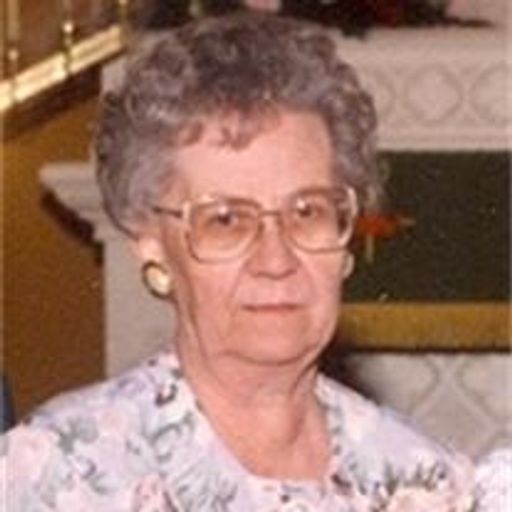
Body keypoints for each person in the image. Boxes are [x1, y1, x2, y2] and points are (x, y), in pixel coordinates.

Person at [2, 12, 508, 512]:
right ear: (153, 245)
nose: (276, 259)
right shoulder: (62, 475)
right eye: (226, 220)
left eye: (307, 212)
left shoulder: (425, 482)